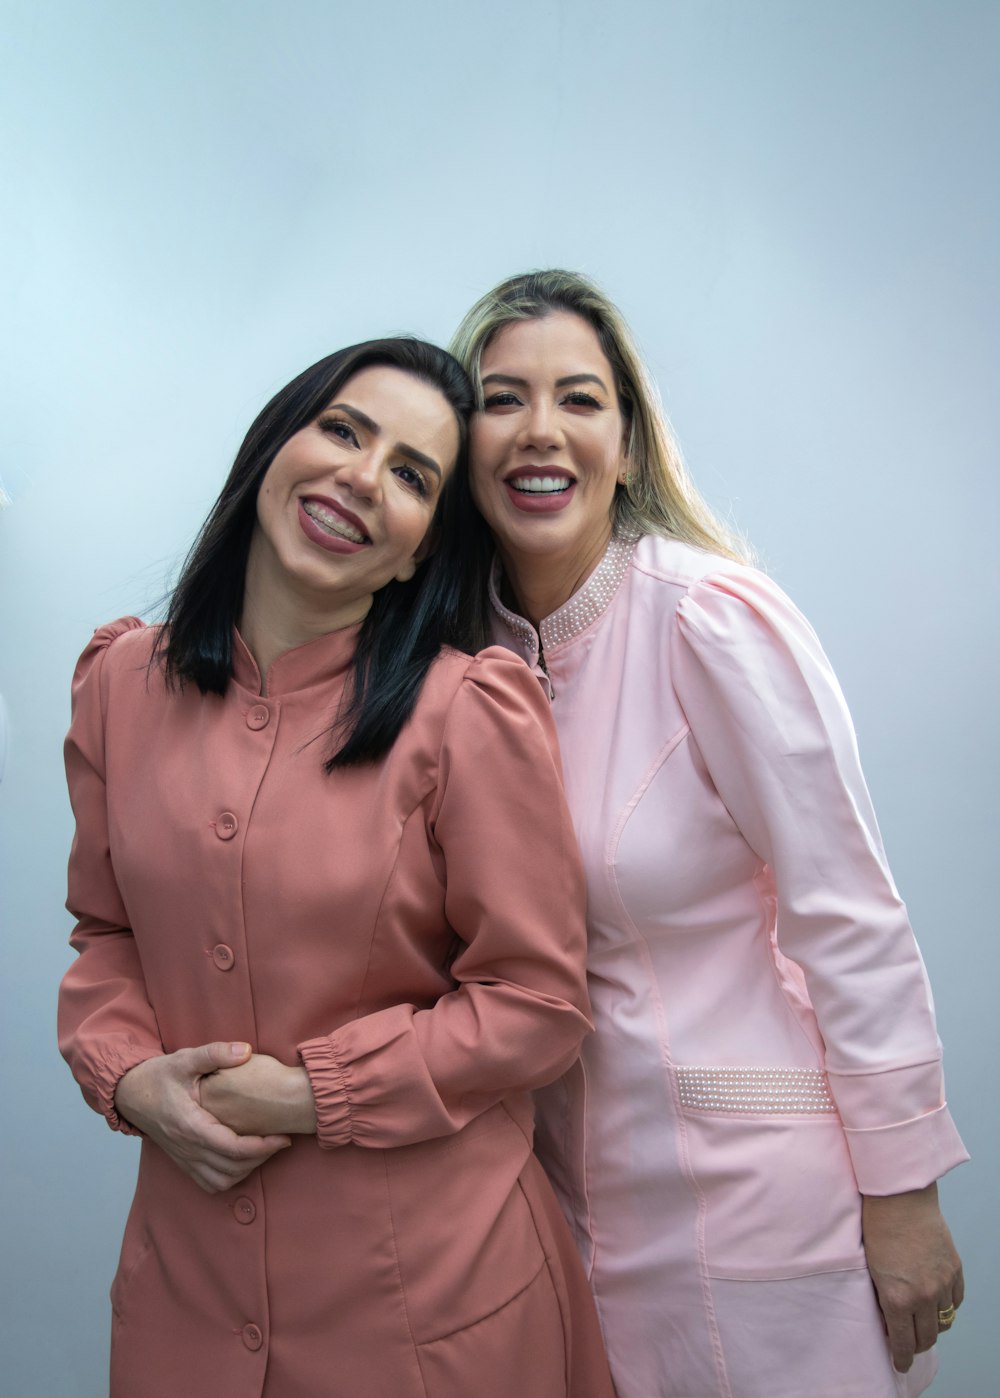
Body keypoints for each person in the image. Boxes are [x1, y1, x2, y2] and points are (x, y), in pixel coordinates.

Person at [57, 337, 616, 1398]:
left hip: (429, 1314)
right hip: (188, 1299)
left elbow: (538, 1003)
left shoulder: (466, 714)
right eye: (344, 431)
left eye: (411, 475)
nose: (363, 478)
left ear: (418, 552)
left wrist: (316, 1096)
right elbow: (106, 934)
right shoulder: (119, 684)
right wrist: (130, 1078)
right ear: (275, 447)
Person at [450, 270, 968, 1398]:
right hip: (567, 1228)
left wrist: (906, 1192)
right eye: (502, 399)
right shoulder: (458, 664)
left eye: (580, 400)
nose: (542, 431)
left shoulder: (710, 620)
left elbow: (851, 914)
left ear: (628, 444)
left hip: (761, 1214)